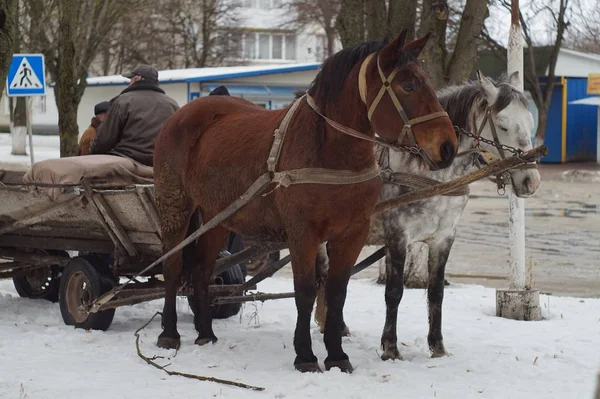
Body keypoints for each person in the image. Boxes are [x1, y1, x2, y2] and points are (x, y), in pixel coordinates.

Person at [90, 64, 179, 166]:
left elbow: (104, 140)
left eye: (130, 79)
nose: (129, 83)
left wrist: (92, 152)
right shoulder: (172, 104)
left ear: (137, 79)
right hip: (162, 162)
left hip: (128, 160)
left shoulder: (122, 102)